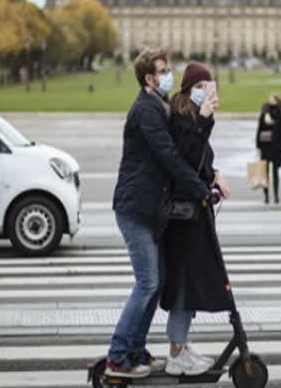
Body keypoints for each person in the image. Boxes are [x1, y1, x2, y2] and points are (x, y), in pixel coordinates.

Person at [107, 49, 211, 379]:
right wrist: (199, 188)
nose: (169, 75)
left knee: (157, 281)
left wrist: (209, 175)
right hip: (136, 208)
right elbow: (169, 156)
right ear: (149, 79)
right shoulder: (147, 111)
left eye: (169, 69)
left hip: (149, 209)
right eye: (164, 71)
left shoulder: (158, 106)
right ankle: (118, 355)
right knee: (148, 282)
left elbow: (180, 150)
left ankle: (136, 349)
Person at [161, 61, 232, 376]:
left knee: (189, 282)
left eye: (210, 85)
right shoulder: (182, 118)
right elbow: (187, 157)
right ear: (190, 89)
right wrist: (205, 120)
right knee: (183, 283)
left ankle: (182, 345)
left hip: (195, 213)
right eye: (203, 86)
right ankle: (176, 352)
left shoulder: (192, 115)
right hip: (183, 217)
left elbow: (204, 157)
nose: (208, 91)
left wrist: (215, 174)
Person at [255, 94, 281, 204]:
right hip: (265, 146)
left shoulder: (280, 113)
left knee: (275, 172)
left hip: (276, 147)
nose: (271, 102)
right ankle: (267, 196)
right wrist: (258, 146)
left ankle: (276, 195)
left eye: (273, 100)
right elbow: (259, 130)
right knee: (265, 172)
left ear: (277, 101)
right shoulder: (264, 112)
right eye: (270, 100)